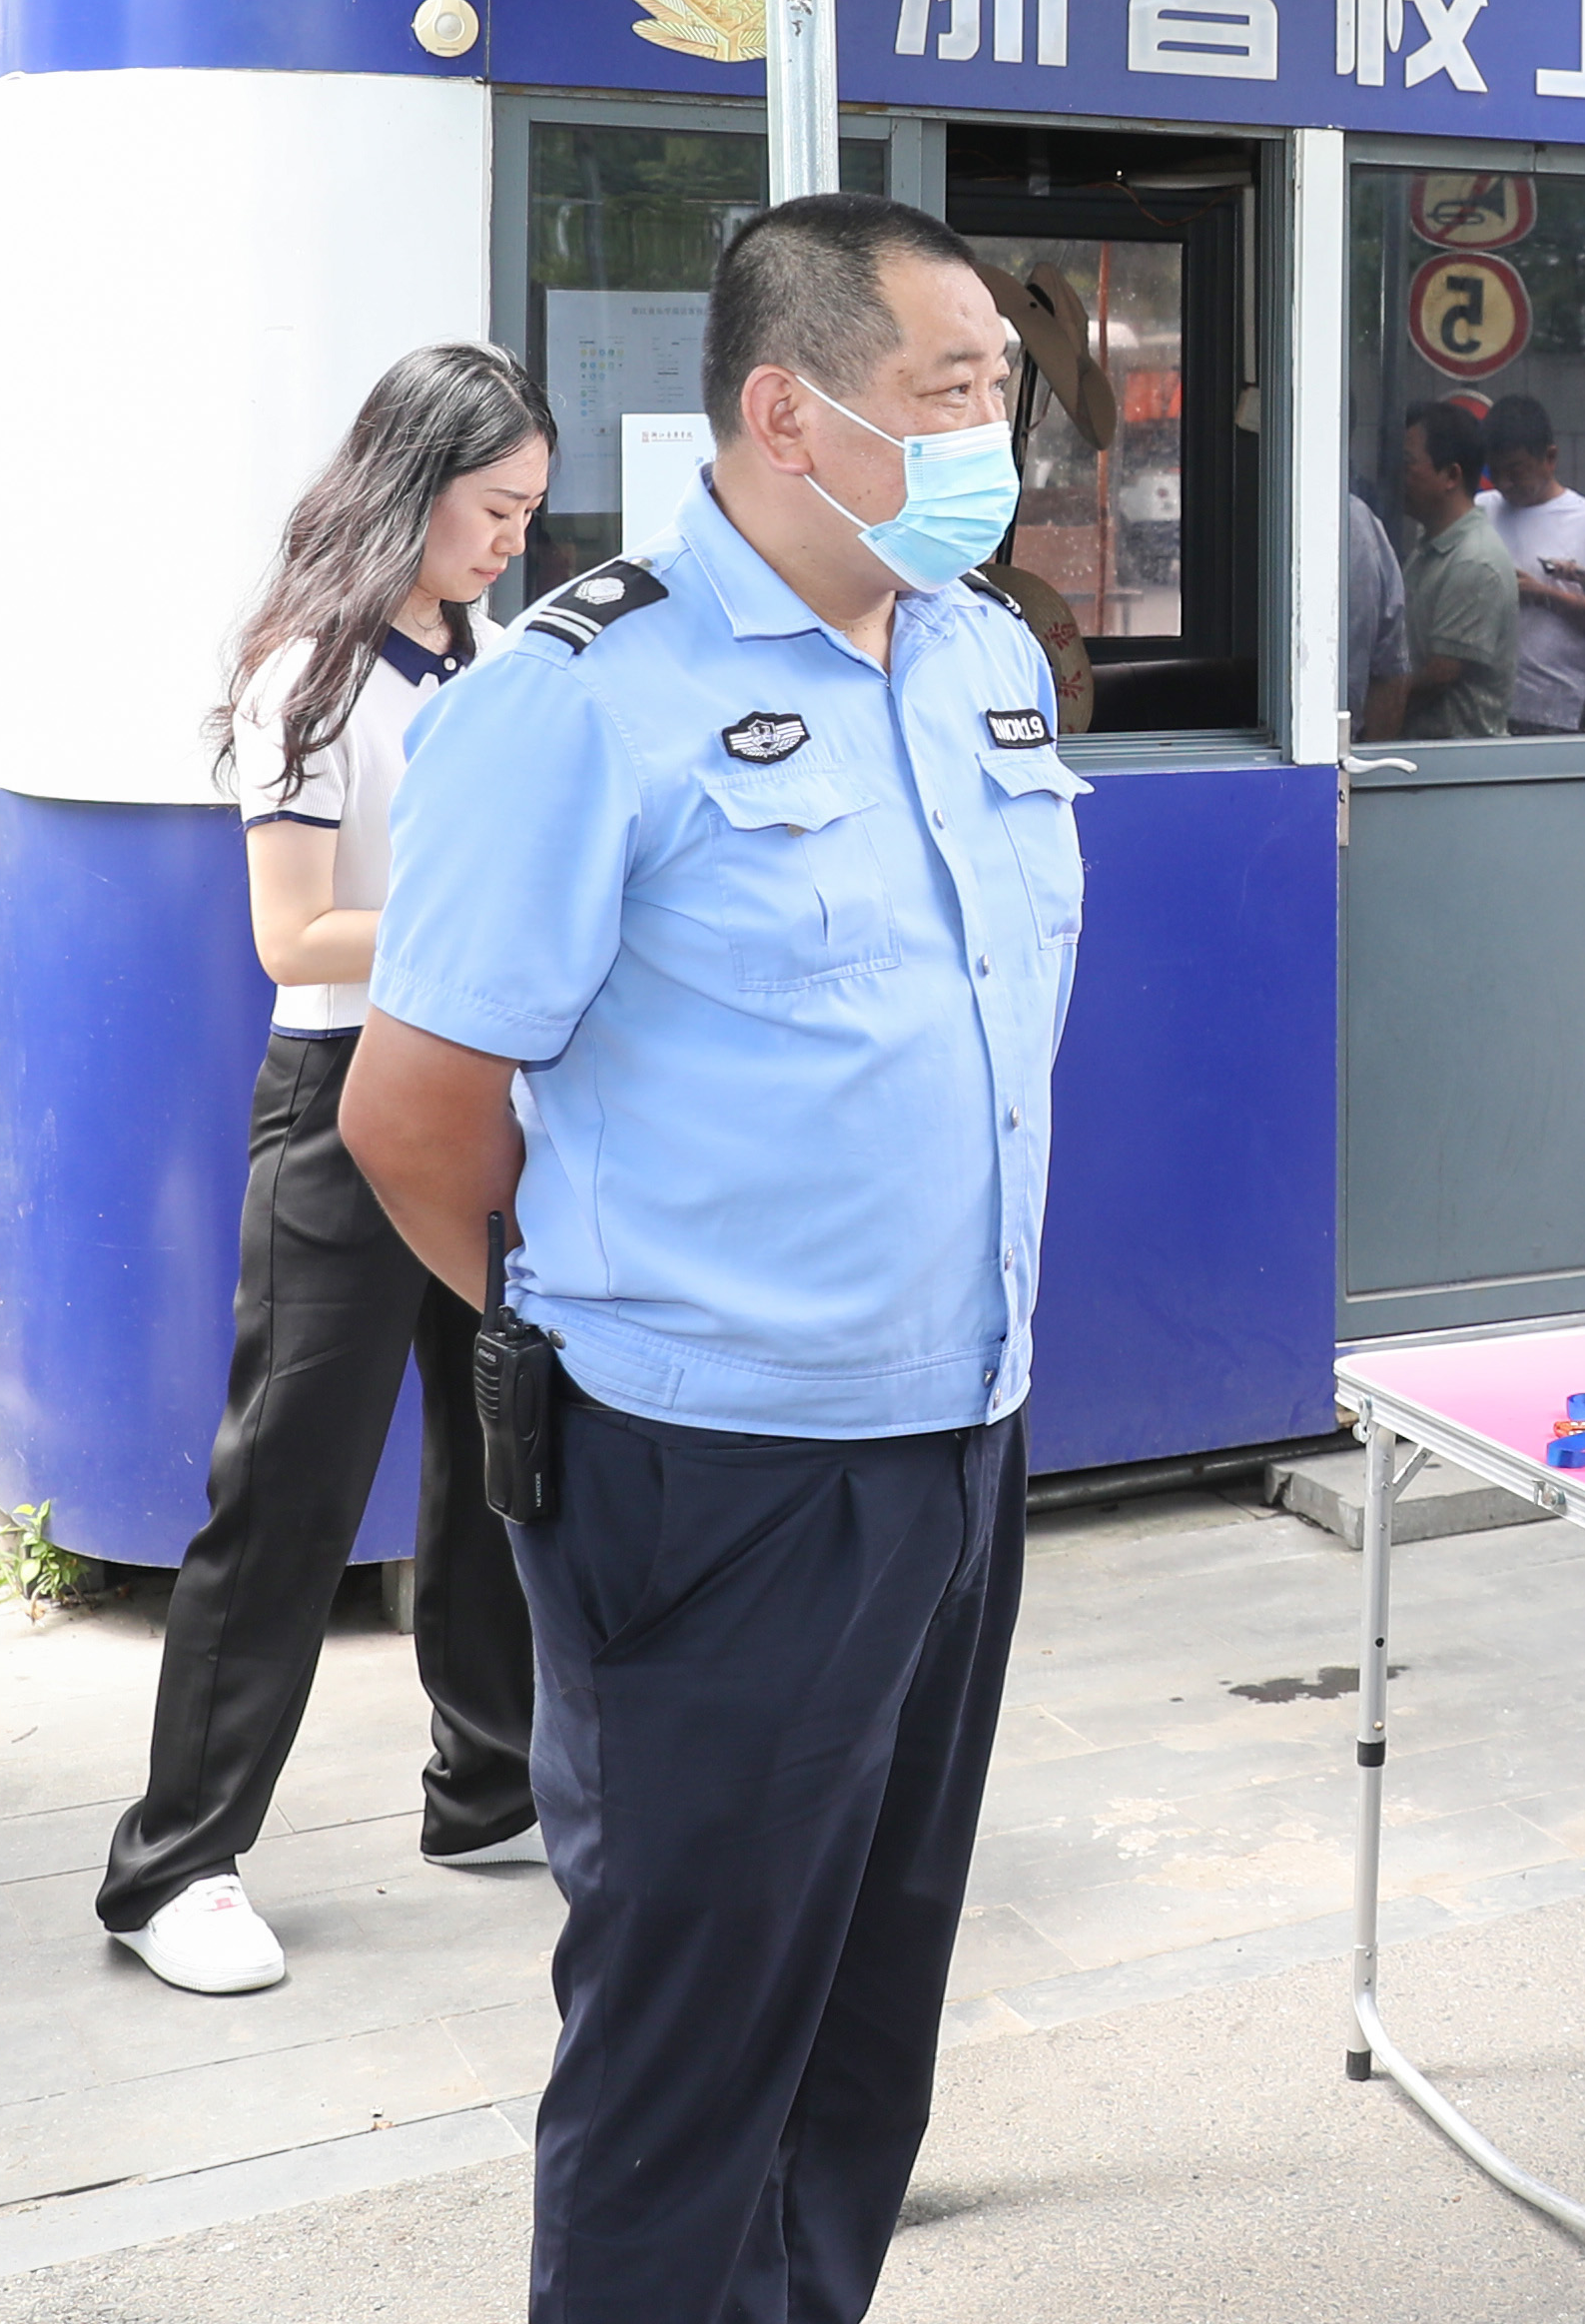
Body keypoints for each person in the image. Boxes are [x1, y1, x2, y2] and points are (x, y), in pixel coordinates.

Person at [344, 193, 1081, 2324]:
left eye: (1001, 392)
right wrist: (604, 1313)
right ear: (786, 410)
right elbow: (415, 1116)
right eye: (951, 390)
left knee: (864, 2020)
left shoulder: (982, 656)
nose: (991, 434)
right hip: (711, 1469)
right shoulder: (584, 697)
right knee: (688, 2051)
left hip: (959, 1436)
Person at [94, 346, 562, 1997]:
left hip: (483, 1093)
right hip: (344, 1097)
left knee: (504, 1449)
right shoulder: (309, 672)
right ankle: (175, 1861)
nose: (512, 536)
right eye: (492, 505)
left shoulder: (495, 660)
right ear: (409, 485)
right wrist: (496, 915)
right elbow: (291, 934)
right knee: (289, 1483)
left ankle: (492, 1783)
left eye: (530, 508)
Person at [1478, 389, 1585, 733]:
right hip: (1490, 709)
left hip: (1566, 711)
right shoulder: (1481, 511)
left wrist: (1542, 594)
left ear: (1550, 458)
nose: (1506, 483)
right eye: (1496, 472)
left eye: (1517, 471)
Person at [1388, 399, 1516, 742]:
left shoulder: (1475, 560)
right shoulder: (1430, 544)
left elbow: (1440, 674)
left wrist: (1375, 699)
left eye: (1408, 464)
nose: (1398, 475)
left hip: (1458, 760)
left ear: (1451, 476)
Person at [1340, 483, 1411, 737]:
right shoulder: (1354, 520)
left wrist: (1372, 754)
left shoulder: (1352, 521)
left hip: (1346, 742)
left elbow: (1391, 671)